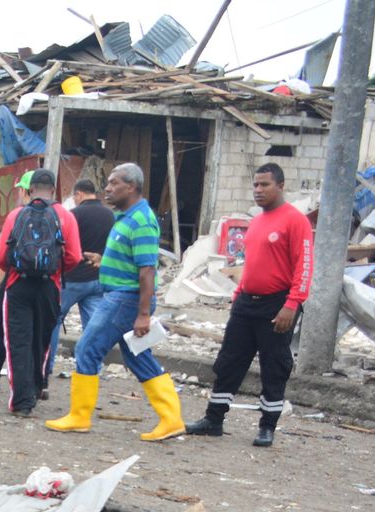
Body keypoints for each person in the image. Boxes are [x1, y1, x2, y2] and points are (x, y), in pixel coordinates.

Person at [43, 162, 184, 440]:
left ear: (131, 187)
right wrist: (103, 259)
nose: (107, 188)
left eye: (114, 183)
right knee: (138, 356)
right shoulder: (126, 217)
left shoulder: (140, 221)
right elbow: (134, 261)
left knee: (87, 347)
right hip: (122, 296)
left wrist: (143, 313)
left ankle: (79, 416)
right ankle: (171, 418)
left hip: (125, 299)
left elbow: (147, 270)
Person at [184, 163, 312, 448]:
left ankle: (267, 427)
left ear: (280, 185)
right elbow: (249, 263)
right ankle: (213, 420)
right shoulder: (256, 222)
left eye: (264, 185)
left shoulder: (295, 221)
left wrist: (292, 304)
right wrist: (238, 293)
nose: (258, 190)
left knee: (274, 366)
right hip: (246, 303)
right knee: (229, 362)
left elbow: (304, 267)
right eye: (255, 185)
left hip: (277, 304)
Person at [0, 169, 81, 416]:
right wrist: (56, 270)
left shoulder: (16, 215)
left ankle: (21, 402)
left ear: (30, 191)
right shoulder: (65, 216)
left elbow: (0, 257)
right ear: (53, 191)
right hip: (49, 287)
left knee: (18, 342)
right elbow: (74, 256)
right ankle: (35, 388)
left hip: (17, 285)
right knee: (40, 342)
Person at [46, 176, 116, 380]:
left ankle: (47, 366)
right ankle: (91, 369)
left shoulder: (74, 215)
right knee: (93, 327)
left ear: (79, 194)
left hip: (72, 279)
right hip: (97, 279)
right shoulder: (110, 216)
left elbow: (62, 245)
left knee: (54, 320)